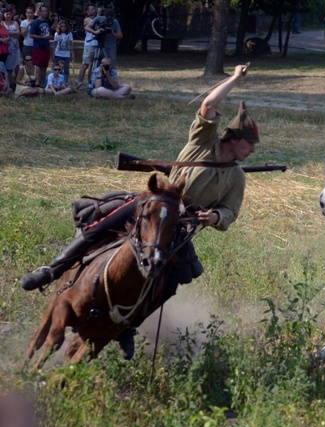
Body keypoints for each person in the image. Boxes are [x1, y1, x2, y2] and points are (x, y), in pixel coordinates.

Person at [21, 64, 258, 359]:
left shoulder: (237, 176)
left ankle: (128, 325)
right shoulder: (204, 139)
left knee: (178, 278)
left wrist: (214, 217)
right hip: (157, 204)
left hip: (178, 226)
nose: (252, 150)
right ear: (233, 139)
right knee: (98, 227)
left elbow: (230, 211)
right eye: (250, 144)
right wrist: (235, 78)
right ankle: (51, 270)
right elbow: (208, 104)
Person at [29, 4, 58, 87]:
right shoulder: (35, 22)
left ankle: (42, 82)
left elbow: (52, 28)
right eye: (44, 11)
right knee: (37, 65)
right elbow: (31, 35)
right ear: (40, 12)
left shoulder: (47, 21)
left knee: (44, 66)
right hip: (38, 47)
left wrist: (55, 20)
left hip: (46, 46)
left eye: (46, 11)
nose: (45, 13)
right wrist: (42, 37)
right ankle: (37, 82)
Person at [76, 4, 98, 90]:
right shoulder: (87, 20)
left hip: (97, 44)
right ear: (87, 11)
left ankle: (90, 82)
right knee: (85, 64)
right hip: (89, 44)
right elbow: (94, 25)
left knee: (92, 65)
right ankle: (80, 83)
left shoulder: (96, 19)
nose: (93, 11)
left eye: (94, 9)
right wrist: (99, 16)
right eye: (91, 9)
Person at [2, 8, 19, 83]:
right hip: (6, 47)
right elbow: (2, 34)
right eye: (6, 14)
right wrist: (13, 32)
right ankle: (5, 82)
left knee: (13, 66)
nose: (8, 15)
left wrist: (8, 32)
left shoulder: (15, 23)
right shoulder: (2, 23)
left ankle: (10, 82)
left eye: (10, 14)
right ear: (3, 14)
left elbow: (19, 34)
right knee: (6, 65)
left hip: (15, 48)